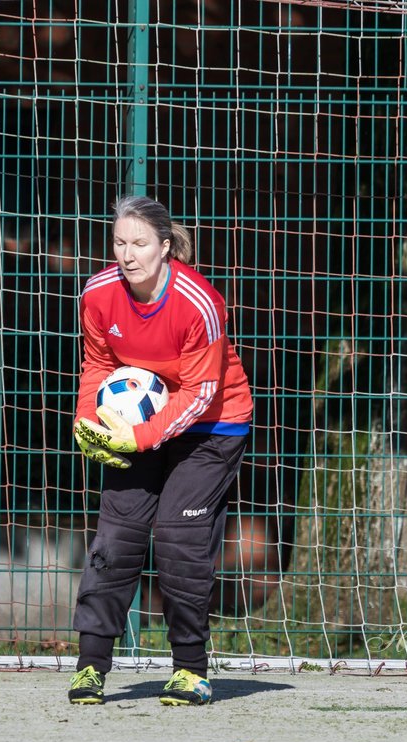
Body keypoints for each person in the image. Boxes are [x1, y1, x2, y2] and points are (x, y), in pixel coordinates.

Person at [68, 195, 254, 706]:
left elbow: (200, 391)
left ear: (166, 247)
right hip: (139, 423)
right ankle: (90, 669)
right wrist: (90, 422)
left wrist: (139, 438)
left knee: (178, 536)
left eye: (141, 243)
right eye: (119, 243)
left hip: (213, 426)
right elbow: (98, 364)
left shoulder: (199, 302)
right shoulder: (99, 293)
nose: (128, 255)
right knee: (117, 536)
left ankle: (191, 670)